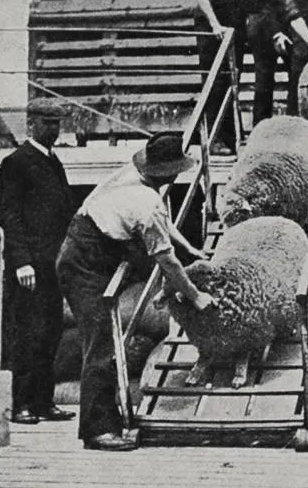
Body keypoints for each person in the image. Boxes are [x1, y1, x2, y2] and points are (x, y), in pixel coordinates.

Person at [55, 132, 213, 452]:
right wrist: (195, 296)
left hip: (87, 246)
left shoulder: (131, 177)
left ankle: (110, 419)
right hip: (84, 263)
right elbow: (165, 259)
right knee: (101, 346)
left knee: (108, 344)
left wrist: (190, 248)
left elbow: (164, 228)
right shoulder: (147, 203)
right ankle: (97, 430)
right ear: (167, 173)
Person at [195, 0, 308, 152]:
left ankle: (232, 139)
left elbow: (292, 13)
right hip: (211, 23)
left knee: (233, 77)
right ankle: (214, 140)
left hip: (235, 29)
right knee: (217, 82)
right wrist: (215, 24)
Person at [0, 99, 77, 425]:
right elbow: (11, 216)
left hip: (53, 264)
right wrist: (21, 262)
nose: (54, 130)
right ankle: (21, 404)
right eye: (48, 123)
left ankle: (43, 402)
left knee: (51, 332)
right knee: (28, 335)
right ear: (31, 124)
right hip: (30, 267)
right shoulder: (16, 162)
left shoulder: (53, 162)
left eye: (57, 123)